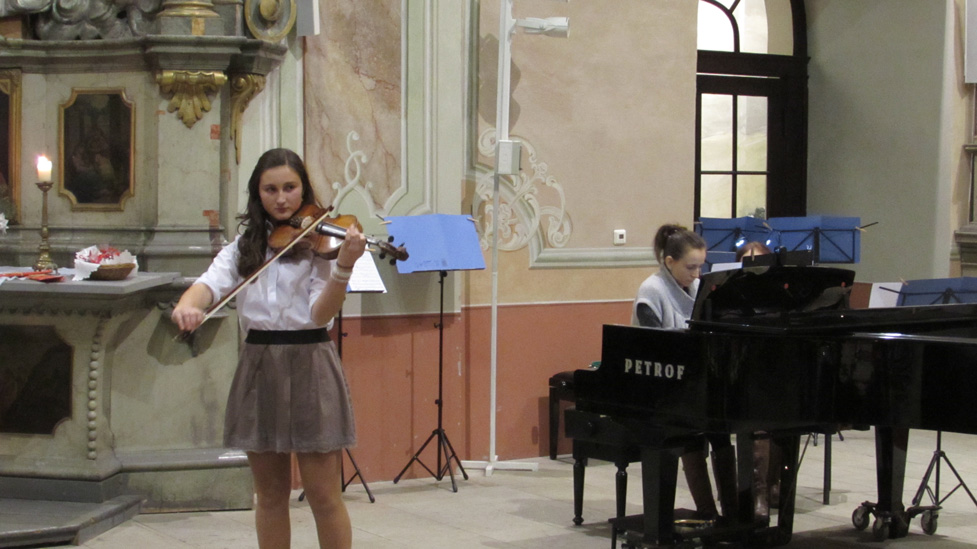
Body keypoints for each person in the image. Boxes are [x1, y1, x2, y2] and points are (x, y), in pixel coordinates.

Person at [171, 148, 366, 549]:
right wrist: (188, 305)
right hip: (259, 364)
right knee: (271, 495)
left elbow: (319, 314)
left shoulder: (321, 244)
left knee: (323, 495)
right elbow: (208, 285)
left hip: (311, 362)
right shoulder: (244, 248)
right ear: (257, 194)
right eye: (270, 189)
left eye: (290, 188)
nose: (281, 199)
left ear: (303, 190)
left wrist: (344, 267)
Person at [631, 224, 736, 521]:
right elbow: (655, 347)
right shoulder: (652, 290)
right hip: (661, 386)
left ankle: (732, 514)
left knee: (722, 431)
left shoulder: (696, 287)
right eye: (691, 267)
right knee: (691, 436)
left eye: (701, 267)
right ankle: (707, 512)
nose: (697, 274)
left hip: (692, 380)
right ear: (669, 262)